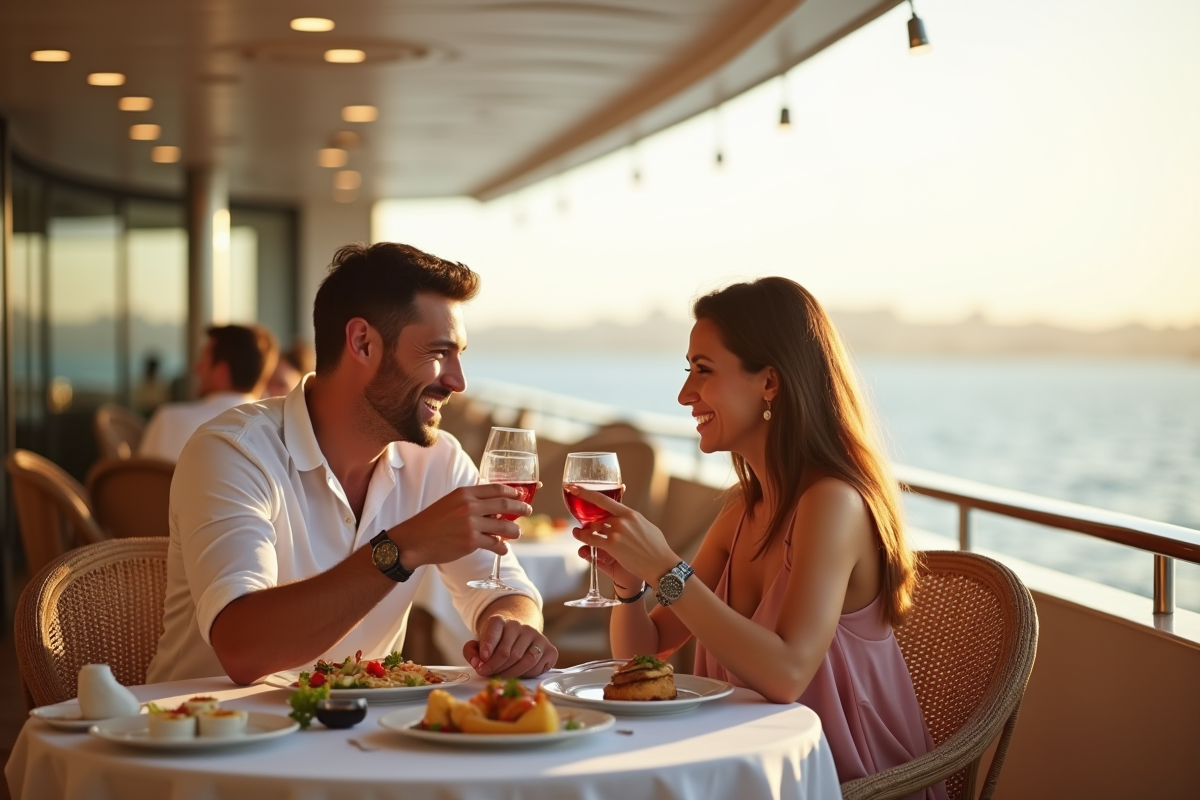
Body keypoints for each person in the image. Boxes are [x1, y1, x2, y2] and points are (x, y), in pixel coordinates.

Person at [570, 277, 945, 797]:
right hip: (749, 770)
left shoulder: (831, 503)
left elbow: (787, 672)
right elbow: (647, 654)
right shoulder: (742, 511)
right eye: (688, 371)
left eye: (703, 371)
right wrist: (630, 588)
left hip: (844, 782)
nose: (685, 394)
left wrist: (665, 568)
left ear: (769, 382)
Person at [147, 242, 556, 685]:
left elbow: (506, 588)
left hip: (357, 738)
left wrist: (514, 627)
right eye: (439, 354)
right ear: (362, 343)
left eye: (459, 355)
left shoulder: (439, 460)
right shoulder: (232, 452)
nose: (457, 381)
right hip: (203, 738)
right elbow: (243, 649)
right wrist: (400, 548)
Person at [139, 325, 279, 462]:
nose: (196, 368)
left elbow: (138, 481)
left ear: (221, 372)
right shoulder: (275, 435)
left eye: (203, 360)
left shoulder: (168, 420)